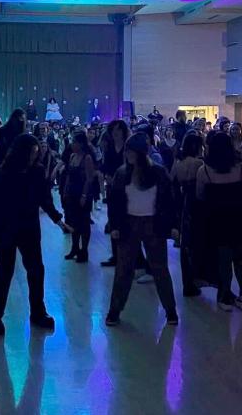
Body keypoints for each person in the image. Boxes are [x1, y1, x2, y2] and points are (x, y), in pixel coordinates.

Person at [0, 134, 72, 336]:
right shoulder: (4, 173)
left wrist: (58, 219)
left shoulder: (37, 171)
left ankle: (38, 313)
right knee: (4, 272)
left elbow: (44, 198)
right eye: (31, 152)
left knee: (36, 270)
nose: (34, 156)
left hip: (28, 227)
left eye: (36, 152)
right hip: (5, 228)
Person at [105, 133, 178, 326]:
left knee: (159, 269)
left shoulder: (158, 173)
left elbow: (169, 202)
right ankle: (115, 310)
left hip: (152, 224)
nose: (127, 154)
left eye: (130, 151)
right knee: (124, 270)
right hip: (130, 224)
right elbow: (115, 202)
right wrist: (115, 226)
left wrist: (172, 226)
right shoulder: (123, 173)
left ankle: (171, 311)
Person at [196, 132, 242, 311]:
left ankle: (224, 295)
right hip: (240, 218)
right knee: (240, 258)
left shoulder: (204, 171)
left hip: (217, 220)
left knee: (223, 260)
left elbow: (200, 196)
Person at [170, 132, 204, 296]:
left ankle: (187, 283)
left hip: (182, 205)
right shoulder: (198, 163)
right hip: (197, 205)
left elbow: (171, 181)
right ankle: (196, 279)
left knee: (185, 244)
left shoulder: (178, 163)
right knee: (197, 243)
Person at [61, 132, 97, 263]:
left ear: (81, 143)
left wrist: (84, 195)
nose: (72, 144)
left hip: (83, 193)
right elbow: (68, 176)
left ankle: (84, 250)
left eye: (74, 142)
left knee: (84, 222)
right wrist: (65, 190)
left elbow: (89, 178)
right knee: (74, 221)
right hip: (72, 193)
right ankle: (74, 247)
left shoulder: (87, 158)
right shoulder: (72, 156)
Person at [100, 119, 131, 266]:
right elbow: (105, 165)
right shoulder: (110, 147)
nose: (115, 133)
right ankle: (115, 255)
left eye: (118, 130)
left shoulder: (128, 146)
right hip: (112, 187)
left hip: (127, 187)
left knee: (127, 221)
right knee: (113, 219)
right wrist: (107, 176)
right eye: (113, 130)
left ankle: (131, 256)